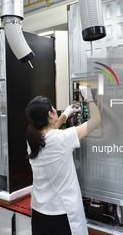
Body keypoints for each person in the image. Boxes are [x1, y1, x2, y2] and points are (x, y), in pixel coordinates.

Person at [25, 86, 101, 235]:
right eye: (54, 109)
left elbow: (51, 131)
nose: (56, 111)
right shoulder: (63, 139)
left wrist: (66, 114)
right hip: (61, 214)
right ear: (49, 114)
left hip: (39, 211)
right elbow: (96, 120)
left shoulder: (31, 139)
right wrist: (89, 98)